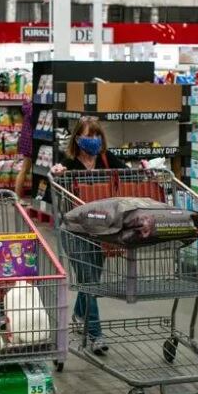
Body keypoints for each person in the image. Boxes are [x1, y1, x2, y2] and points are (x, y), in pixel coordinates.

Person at [52, 117, 126, 355]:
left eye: (96, 136)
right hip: (75, 230)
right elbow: (56, 181)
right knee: (89, 280)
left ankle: (79, 312)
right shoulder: (69, 163)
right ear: (77, 138)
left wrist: (145, 168)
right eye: (87, 136)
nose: (92, 141)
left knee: (91, 279)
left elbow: (127, 175)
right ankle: (96, 334)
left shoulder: (106, 159)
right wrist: (57, 173)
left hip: (102, 230)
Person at [15, 96, 33, 202]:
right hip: (31, 140)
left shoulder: (27, 104)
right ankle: (17, 198)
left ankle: (17, 197)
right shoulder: (33, 107)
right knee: (26, 169)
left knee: (24, 169)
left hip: (26, 139)